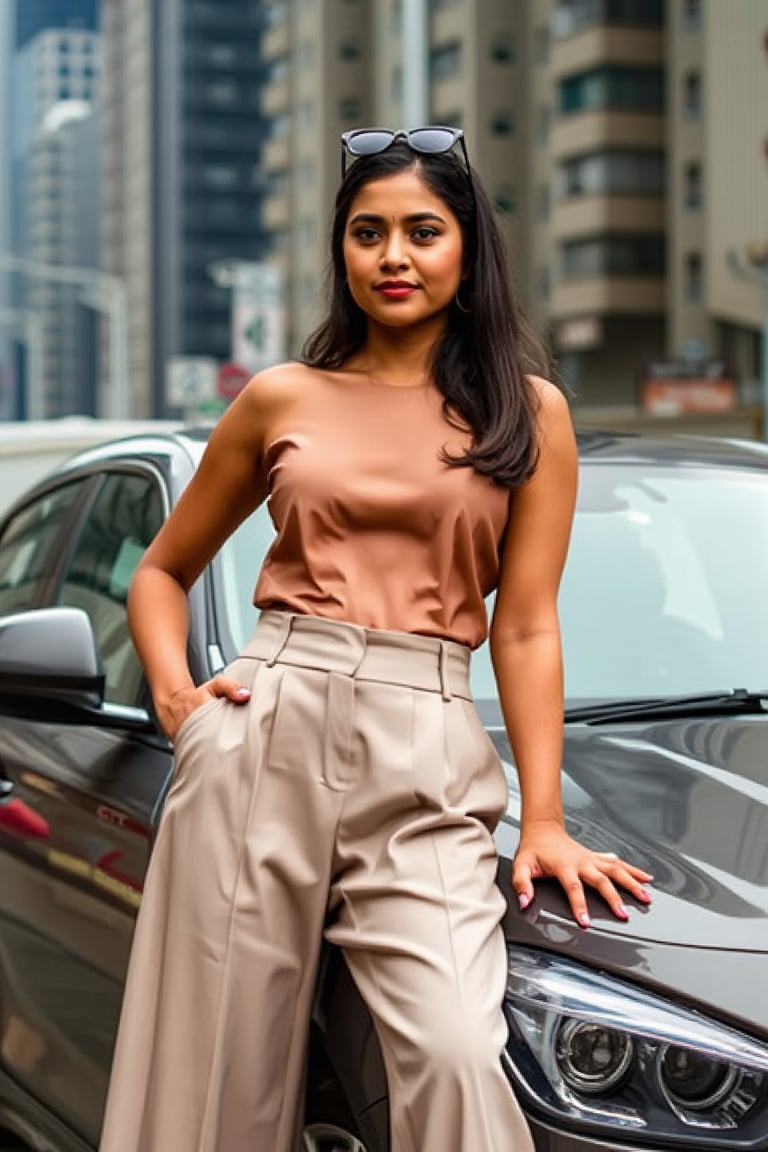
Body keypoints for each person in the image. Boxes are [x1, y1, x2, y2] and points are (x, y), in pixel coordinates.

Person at [99, 126, 653, 1152]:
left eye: (422, 232)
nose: (394, 256)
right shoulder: (282, 397)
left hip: (429, 747)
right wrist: (181, 704)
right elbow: (159, 573)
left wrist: (543, 819)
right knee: (208, 1068)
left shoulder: (530, 414)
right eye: (368, 233)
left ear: (467, 249)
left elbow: (526, 626)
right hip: (265, 728)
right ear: (343, 252)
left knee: (451, 1052)